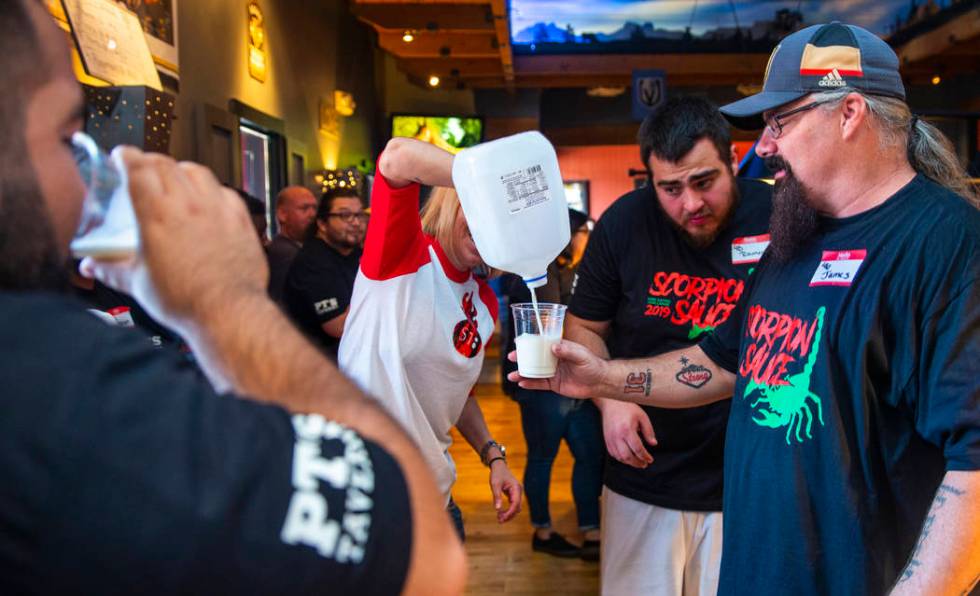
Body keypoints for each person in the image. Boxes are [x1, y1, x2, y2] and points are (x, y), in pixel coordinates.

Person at [0, 2, 466, 594]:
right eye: (70, 136)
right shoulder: (57, 387)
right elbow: (427, 558)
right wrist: (227, 302)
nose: (90, 168)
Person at [513, 22, 980, 596]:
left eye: (780, 121)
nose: (765, 145)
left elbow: (974, 462)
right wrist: (604, 380)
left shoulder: (947, 242)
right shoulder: (796, 234)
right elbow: (722, 362)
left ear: (850, 112)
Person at [566, 96, 772, 595]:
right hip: (643, 476)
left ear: (732, 159)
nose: (691, 204)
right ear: (651, 179)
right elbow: (582, 328)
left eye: (705, 182)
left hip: (750, 480)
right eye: (671, 188)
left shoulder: (778, 215)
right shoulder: (624, 223)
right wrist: (610, 399)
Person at [339, 137, 523, 540]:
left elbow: (457, 395)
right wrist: (485, 179)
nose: (485, 221)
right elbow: (396, 158)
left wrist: (494, 456)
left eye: (499, 216)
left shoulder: (486, 302)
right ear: (452, 200)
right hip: (371, 509)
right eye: (476, 206)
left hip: (438, 505)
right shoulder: (404, 254)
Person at [499, 209, 604, 560]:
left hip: (577, 381)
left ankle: (591, 530)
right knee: (543, 457)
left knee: (589, 455)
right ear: (568, 235)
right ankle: (542, 530)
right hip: (542, 381)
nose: (589, 238)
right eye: (584, 231)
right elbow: (551, 323)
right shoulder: (536, 274)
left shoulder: (577, 270)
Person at [283, 187, 367, 359]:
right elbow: (338, 327)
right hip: (315, 363)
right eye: (345, 215)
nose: (356, 223)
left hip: (350, 356)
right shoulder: (313, 261)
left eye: (359, 215)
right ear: (322, 223)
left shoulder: (355, 253)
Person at [267, 185, 317, 301]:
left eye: (315, 208)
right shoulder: (284, 253)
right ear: (282, 214)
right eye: (304, 209)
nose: (312, 215)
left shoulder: (302, 248)